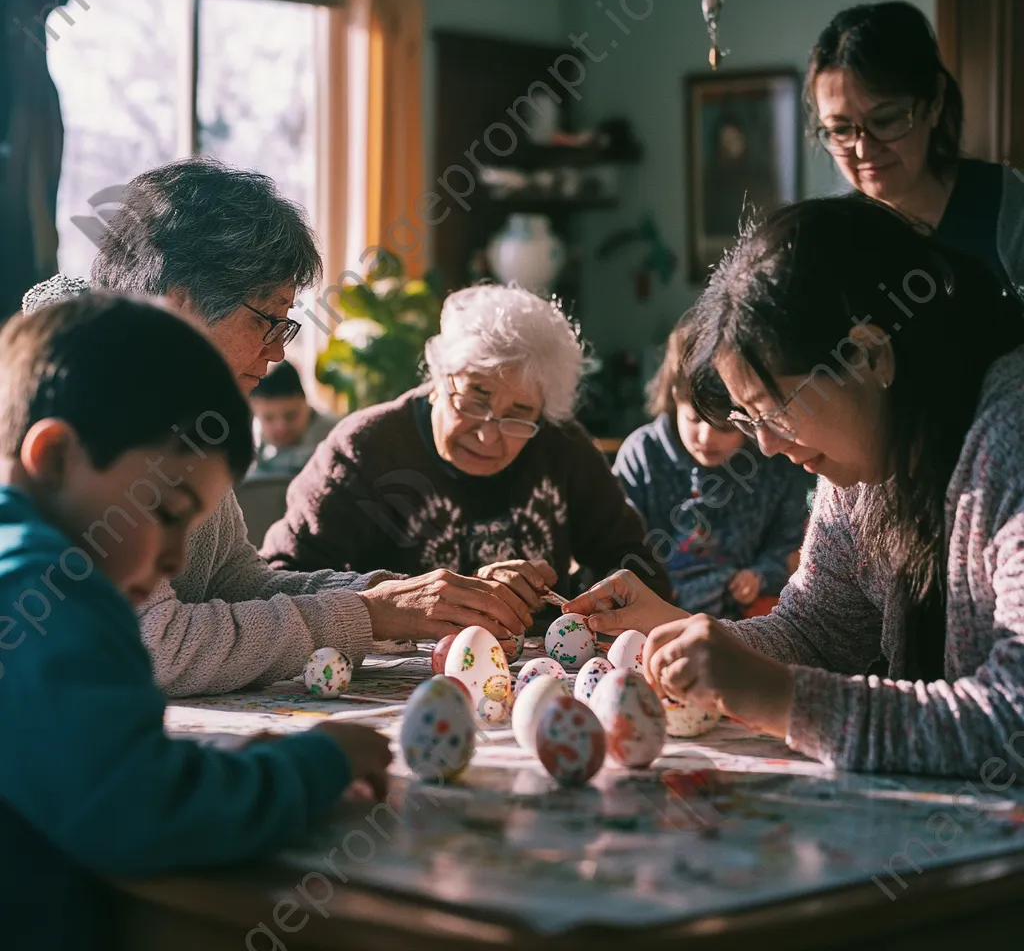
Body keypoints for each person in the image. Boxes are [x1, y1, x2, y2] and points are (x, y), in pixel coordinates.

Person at [20, 158, 529, 696]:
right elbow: (156, 646)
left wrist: (401, 600)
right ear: (179, 302)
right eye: (266, 319)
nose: (279, 350)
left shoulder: (186, 410)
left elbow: (235, 583)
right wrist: (365, 615)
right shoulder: (87, 407)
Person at [567, 197, 1024, 777]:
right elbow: (818, 634)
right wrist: (669, 631)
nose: (766, 447)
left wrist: (780, 700)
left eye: (773, 413)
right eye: (749, 422)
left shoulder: (1011, 437)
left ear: (868, 355)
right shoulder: (868, 453)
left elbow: (1013, 722)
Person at [0, 295, 391, 951]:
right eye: (169, 510)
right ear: (56, 458)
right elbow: (145, 812)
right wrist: (316, 764)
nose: (179, 556)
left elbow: (93, 764)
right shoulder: (51, 587)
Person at [261, 284, 673, 619]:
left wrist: (588, 607)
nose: (488, 435)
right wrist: (401, 601)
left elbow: (637, 568)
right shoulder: (365, 449)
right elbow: (280, 583)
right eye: (475, 400)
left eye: (519, 414)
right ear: (438, 377)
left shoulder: (560, 445)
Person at [808, 0, 1024, 296]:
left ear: (934, 102)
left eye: (886, 120)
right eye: (841, 129)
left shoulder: (1006, 207)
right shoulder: (832, 233)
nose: (863, 150)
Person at [613, 309, 811, 621]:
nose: (706, 437)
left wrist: (760, 575)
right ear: (672, 399)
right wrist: (650, 588)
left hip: (742, 624)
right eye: (693, 419)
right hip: (652, 616)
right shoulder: (642, 456)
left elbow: (790, 548)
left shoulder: (774, 462)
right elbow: (617, 547)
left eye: (725, 427)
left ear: (750, 416)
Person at [249, 360, 339, 478]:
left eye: (290, 416)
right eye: (268, 418)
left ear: (305, 403)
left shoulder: (336, 436)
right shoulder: (251, 444)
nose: (281, 427)